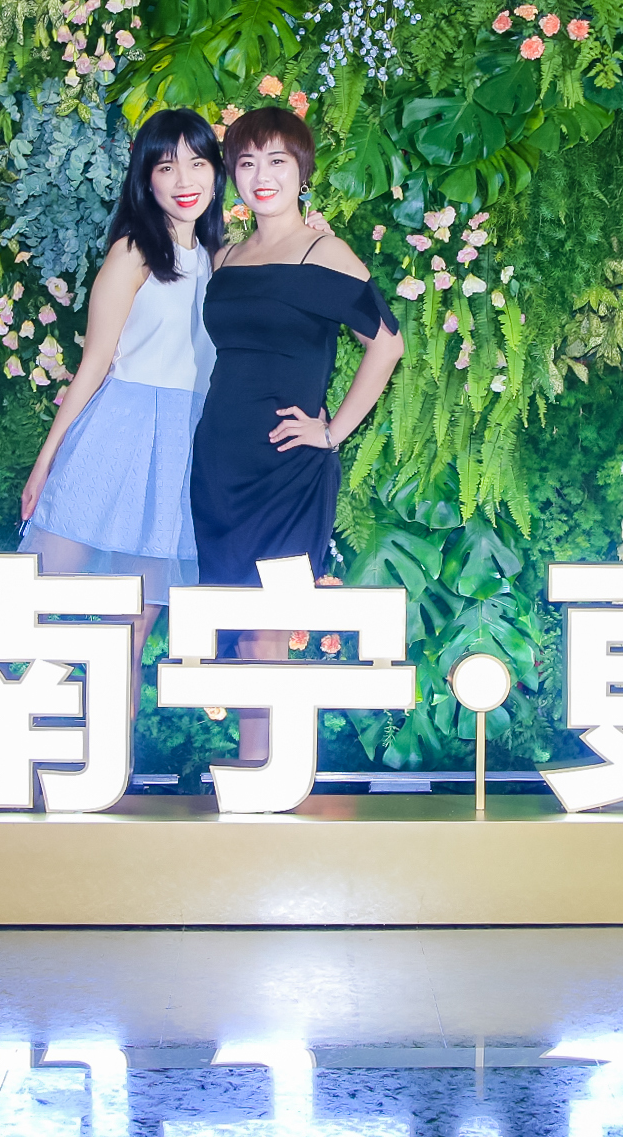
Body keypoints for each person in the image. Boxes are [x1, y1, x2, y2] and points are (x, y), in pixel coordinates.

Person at [191, 106, 405, 761]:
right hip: (220, 463)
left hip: (287, 467)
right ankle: (255, 769)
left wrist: (333, 431)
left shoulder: (323, 252)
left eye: (277, 161)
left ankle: (270, 773)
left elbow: (388, 343)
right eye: (247, 162)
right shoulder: (225, 256)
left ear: (302, 172)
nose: (262, 175)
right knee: (236, 626)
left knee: (271, 626)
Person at [21, 108, 223, 677]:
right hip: (119, 431)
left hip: (183, 447)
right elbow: (93, 366)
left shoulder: (220, 258)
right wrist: (46, 462)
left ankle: (113, 738)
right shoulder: (134, 252)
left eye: (197, 164)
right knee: (38, 603)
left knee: (129, 637)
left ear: (216, 173)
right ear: (146, 179)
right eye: (166, 167)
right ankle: (13, 718)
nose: (184, 181)